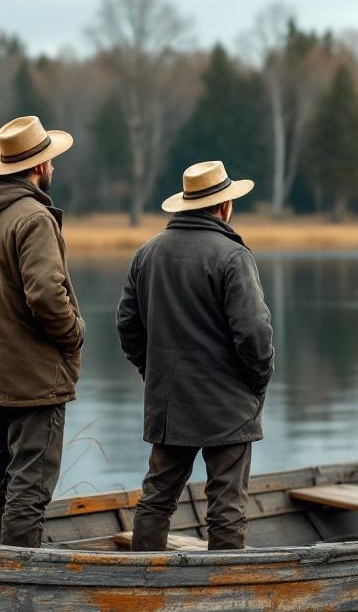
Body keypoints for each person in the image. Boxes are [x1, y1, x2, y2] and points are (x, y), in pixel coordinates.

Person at [116, 160, 274, 551]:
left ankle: (142, 584)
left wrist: (154, 373)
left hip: (169, 403)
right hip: (228, 404)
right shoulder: (233, 256)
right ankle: (223, 595)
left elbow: (127, 327)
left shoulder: (146, 253)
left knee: (156, 499)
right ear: (224, 208)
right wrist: (257, 382)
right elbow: (254, 333)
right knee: (227, 507)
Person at [0, 115, 84, 548]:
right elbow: (47, 293)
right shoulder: (34, 219)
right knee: (31, 483)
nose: (52, 168)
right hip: (35, 379)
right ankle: (17, 583)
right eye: (50, 160)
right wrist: (72, 334)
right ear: (39, 166)